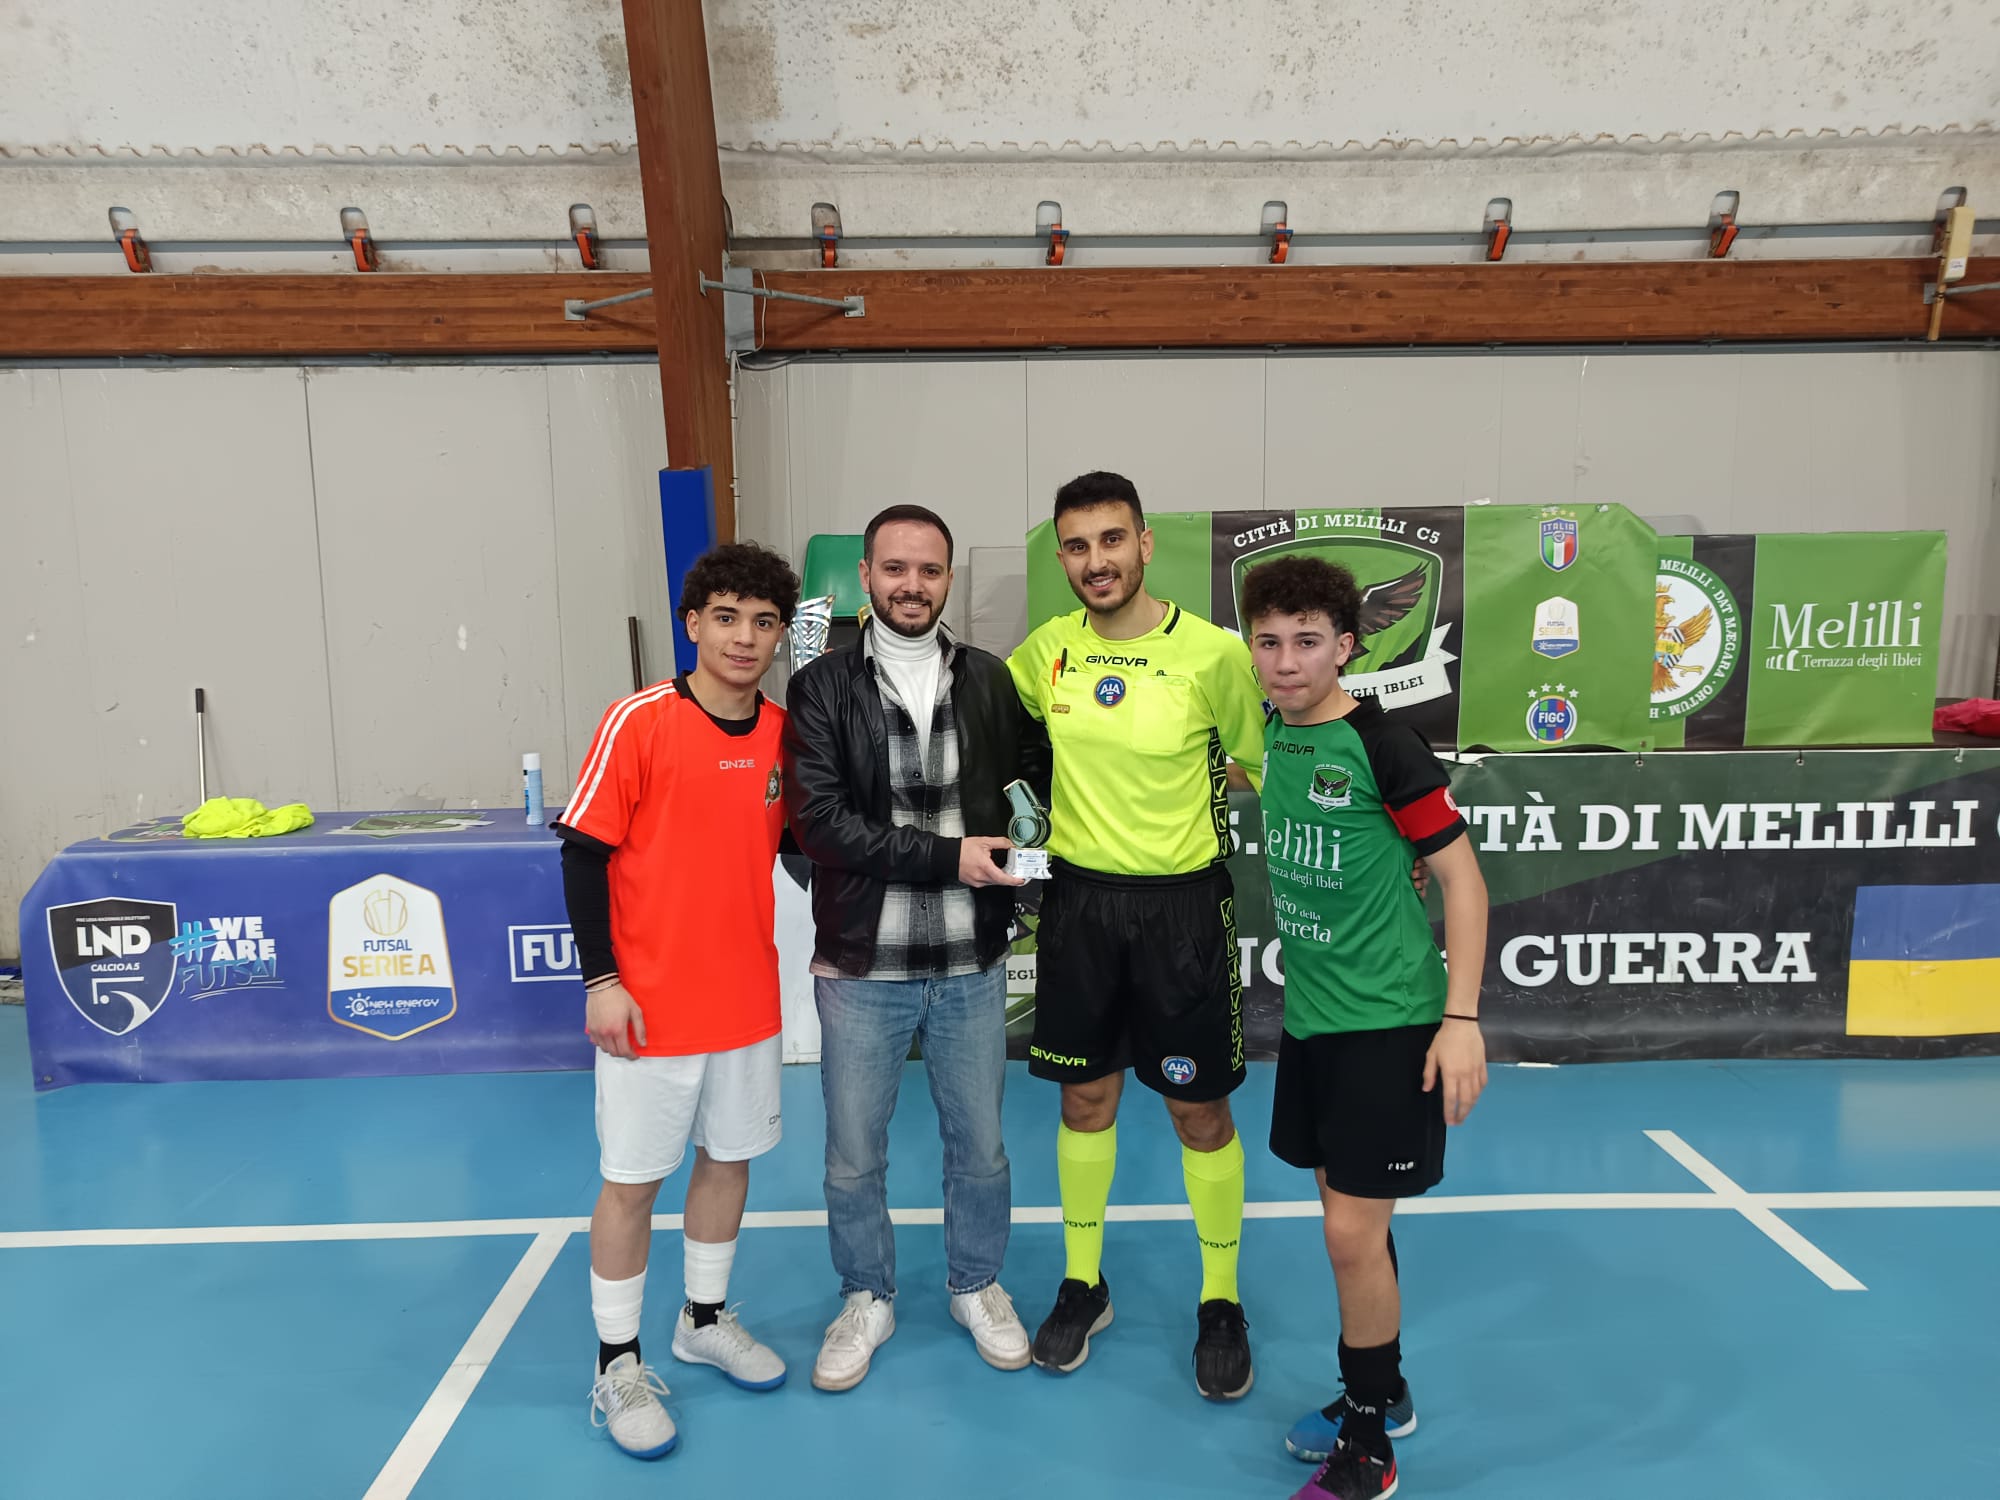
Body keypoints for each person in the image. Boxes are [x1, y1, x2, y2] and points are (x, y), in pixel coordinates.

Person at [1006, 471, 1267, 1400]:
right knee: (1085, 1103)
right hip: (1079, 907)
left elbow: (1269, 761)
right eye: (1078, 546)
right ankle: (1084, 1284)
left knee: (1199, 1112)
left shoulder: (1213, 654)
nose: (1096, 561)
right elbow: (995, 733)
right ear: (1062, 557)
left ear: (1145, 544)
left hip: (1183, 912)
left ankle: (1221, 1299)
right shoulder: (1046, 652)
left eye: (1112, 540)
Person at [783, 503, 1051, 1391]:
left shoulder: (989, 679)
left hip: (971, 961)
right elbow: (820, 825)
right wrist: (951, 857)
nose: (912, 585)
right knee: (854, 1155)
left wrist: (1031, 843)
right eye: (894, 568)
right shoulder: (821, 686)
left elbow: (1031, 775)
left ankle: (976, 1284)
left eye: (929, 570)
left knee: (982, 1149)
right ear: (864, 577)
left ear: (948, 581)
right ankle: (867, 1295)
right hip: (864, 964)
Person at [1240, 554, 1489, 1500]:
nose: (1286, 661)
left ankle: (1371, 1438)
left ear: (1346, 646)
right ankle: (1380, 1390)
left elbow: (1464, 881)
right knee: (1351, 1223)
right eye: (1269, 642)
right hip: (1314, 1021)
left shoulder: (1386, 746)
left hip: (1392, 1022)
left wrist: (1461, 1019)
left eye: (1307, 642)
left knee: (1349, 1234)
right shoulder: (1273, 731)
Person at [553, 541, 802, 1460]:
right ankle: (617, 1363)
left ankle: (702, 1319)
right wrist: (602, 982)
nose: (744, 638)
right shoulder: (640, 721)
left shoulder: (786, 734)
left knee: (728, 1161)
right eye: (726, 617)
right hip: (648, 1010)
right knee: (631, 1183)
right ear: (692, 623)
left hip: (746, 1001)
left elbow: (807, 848)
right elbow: (583, 854)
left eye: (764, 622)